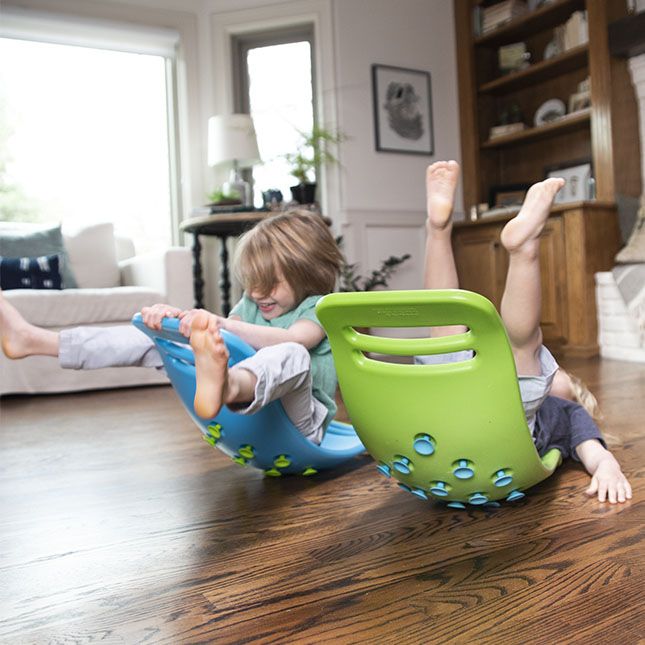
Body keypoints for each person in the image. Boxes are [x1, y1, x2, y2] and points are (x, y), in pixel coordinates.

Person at [0, 211, 344, 445]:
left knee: (292, 353)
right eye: (252, 283)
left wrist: (218, 322)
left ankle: (226, 386)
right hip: (254, 418)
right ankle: (34, 339)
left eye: (270, 283)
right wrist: (177, 322)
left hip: (301, 425)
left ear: (307, 274)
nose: (256, 293)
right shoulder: (254, 303)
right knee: (152, 338)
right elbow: (223, 337)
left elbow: (294, 338)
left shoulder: (318, 308)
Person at [421, 160, 632, 504]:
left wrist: (608, 468)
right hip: (458, 403)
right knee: (447, 324)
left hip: (500, 433)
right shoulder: (547, 399)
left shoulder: (568, 414)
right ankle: (441, 227)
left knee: (524, 346)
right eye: (558, 374)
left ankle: (520, 249)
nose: (555, 376)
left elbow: (595, 453)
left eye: (560, 377)